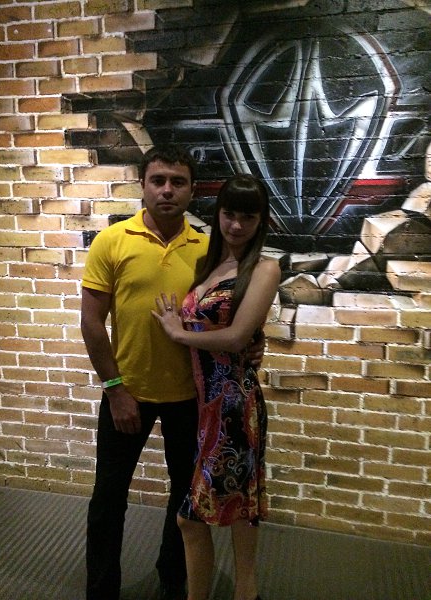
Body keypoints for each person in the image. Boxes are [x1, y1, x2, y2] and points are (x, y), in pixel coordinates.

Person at [81, 145, 264, 600]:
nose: (167, 190)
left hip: (191, 398)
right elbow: (91, 322)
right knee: (108, 500)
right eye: (158, 180)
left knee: (185, 499)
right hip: (128, 393)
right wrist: (115, 389)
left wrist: (251, 343)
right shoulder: (112, 241)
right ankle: (101, 590)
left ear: (191, 190)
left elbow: (228, 315)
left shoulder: (207, 250)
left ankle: (173, 579)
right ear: (143, 185)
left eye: (177, 182)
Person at [152, 174, 281, 600]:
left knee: (193, 518)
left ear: (261, 221)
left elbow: (237, 337)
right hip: (202, 402)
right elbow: (231, 330)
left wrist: (179, 333)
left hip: (233, 405)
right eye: (229, 214)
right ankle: (247, 592)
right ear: (218, 214)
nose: (236, 225)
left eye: (248, 217)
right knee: (238, 507)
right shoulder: (210, 266)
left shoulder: (264, 268)